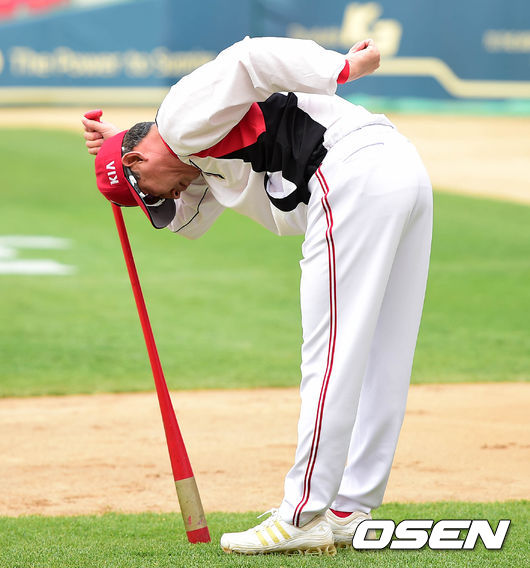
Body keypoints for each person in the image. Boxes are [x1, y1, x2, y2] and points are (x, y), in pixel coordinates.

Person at [83, 36, 433, 556]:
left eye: (149, 193)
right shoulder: (188, 144)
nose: (166, 198)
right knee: (387, 352)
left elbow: (249, 58)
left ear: (139, 157)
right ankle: (349, 509)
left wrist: (340, 67)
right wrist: (121, 147)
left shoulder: (178, 121)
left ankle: (300, 515)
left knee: (329, 356)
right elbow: (189, 213)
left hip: (349, 175)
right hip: (399, 168)